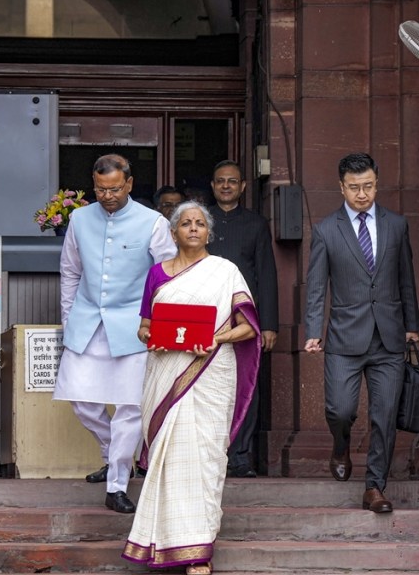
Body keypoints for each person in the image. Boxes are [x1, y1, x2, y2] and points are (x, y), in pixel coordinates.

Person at [123, 201, 260, 575]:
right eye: (187, 223)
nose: (194, 228)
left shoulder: (225, 271)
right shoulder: (156, 274)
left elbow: (249, 326)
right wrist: (156, 338)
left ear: (208, 232)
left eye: (201, 223)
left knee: (204, 459)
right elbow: (144, 327)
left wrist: (218, 337)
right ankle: (159, 542)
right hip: (166, 370)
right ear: (174, 232)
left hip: (211, 371)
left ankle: (198, 552)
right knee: (170, 460)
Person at [53, 153, 177, 514]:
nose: (107, 196)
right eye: (100, 189)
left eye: (114, 189)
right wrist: (68, 318)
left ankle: (118, 483)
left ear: (129, 184)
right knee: (80, 401)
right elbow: (70, 273)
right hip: (87, 323)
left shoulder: (152, 222)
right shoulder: (78, 218)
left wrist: (158, 325)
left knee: (129, 409)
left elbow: (167, 277)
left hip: (135, 329)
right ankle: (114, 454)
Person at [303, 152, 419, 514]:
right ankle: (340, 444)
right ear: (342, 187)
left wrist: (412, 326)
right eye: (354, 188)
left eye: (368, 186)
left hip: (389, 337)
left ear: (376, 183)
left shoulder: (396, 225)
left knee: (384, 414)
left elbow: (406, 280)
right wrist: (312, 330)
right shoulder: (326, 230)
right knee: (340, 409)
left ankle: (374, 487)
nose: (362, 194)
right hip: (343, 338)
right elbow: (316, 286)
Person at [206, 160, 278, 478]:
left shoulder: (256, 224)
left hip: (244, 321)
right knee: (207, 386)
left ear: (243, 186)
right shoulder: (200, 222)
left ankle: (241, 456)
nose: (226, 186)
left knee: (245, 386)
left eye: (232, 181)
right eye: (220, 181)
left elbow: (267, 275)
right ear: (212, 185)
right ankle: (210, 454)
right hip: (205, 316)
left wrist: (270, 324)